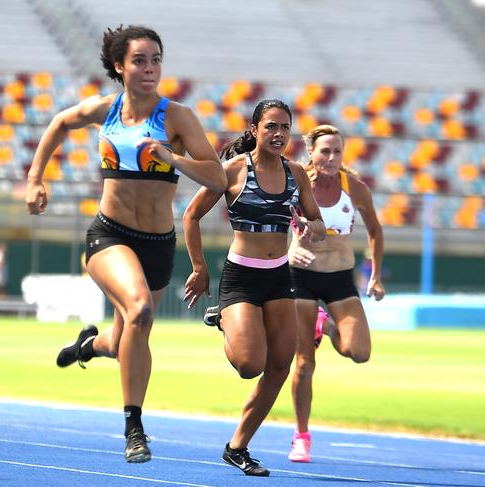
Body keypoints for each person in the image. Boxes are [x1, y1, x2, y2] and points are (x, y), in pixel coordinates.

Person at [25, 25, 226, 463]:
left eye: (156, 59)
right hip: (109, 235)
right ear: (120, 66)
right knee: (140, 310)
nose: (150, 68)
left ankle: (88, 347)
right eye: (140, 60)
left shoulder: (178, 118)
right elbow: (60, 123)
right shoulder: (106, 109)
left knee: (123, 342)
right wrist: (35, 179)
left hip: (158, 243)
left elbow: (218, 177)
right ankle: (134, 428)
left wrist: (172, 157)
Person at [182, 99, 325, 476]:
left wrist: (314, 229)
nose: (278, 134)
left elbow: (318, 221)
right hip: (241, 276)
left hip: (279, 277)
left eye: (285, 127)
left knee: (279, 365)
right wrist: (199, 268)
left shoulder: (297, 173)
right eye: (271, 127)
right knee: (249, 365)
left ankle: (238, 447)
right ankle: (225, 320)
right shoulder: (232, 170)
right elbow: (191, 215)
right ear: (255, 129)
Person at [287, 124, 385, 463]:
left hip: (340, 280)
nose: (330, 157)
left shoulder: (354, 189)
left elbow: (375, 230)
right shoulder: (296, 184)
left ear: (343, 155)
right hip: (301, 279)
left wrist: (374, 275)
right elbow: (270, 226)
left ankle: (326, 326)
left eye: (337, 151)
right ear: (311, 152)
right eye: (324, 151)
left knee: (359, 352)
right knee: (304, 363)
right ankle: (301, 436)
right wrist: (287, 253)